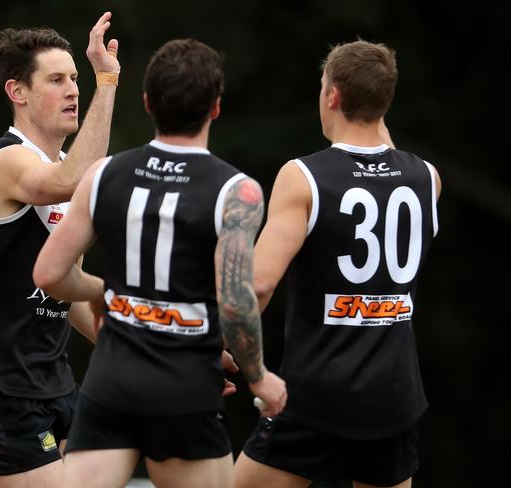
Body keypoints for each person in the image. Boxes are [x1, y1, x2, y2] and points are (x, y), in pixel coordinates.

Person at [33, 38, 287, 488]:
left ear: (148, 102)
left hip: (112, 384)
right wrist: (259, 376)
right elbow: (235, 303)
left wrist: (102, 293)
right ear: (215, 109)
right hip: (186, 390)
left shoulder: (103, 174)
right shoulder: (238, 192)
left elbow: (49, 274)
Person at [234, 40, 442, 488]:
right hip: (393, 395)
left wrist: (229, 351)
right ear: (386, 99)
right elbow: (383, 164)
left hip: (318, 393)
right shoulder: (427, 177)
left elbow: (258, 285)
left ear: (332, 96)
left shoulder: (303, 176)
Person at [0, 13, 120, 488]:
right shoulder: (9, 160)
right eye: (56, 79)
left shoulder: (67, 167)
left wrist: (159, 356)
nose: (73, 89)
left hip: (58, 385)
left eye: (75, 78)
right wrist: (105, 80)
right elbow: (67, 182)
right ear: (17, 92)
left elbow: (68, 300)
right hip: (3, 391)